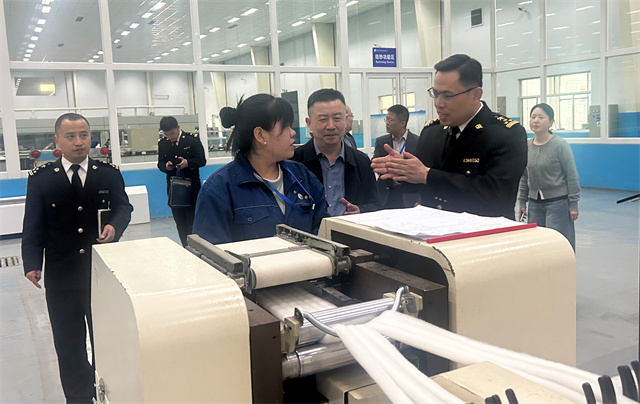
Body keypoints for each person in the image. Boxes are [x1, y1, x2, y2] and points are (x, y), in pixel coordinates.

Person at [21, 113, 133, 403]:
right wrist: (32, 263)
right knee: (68, 343)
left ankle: (109, 392)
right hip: (62, 276)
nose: (79, 142)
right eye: (70, 136)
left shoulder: (108, 174)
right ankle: (79, 397)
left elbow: (124, 208)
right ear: (57, 140)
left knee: (105, 338)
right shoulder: (42, 180)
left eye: (84, 135)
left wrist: (115, 226)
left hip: (101, 274)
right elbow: (33, 223)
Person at [371, 54, 527, 218]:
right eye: (436, 94)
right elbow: (420, 184)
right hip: (433, 228)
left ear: (475, 95)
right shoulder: (432, 131)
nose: (438, 103)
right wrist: (402, 172)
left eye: (447, 96)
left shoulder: (505, 134)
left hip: (482, 230)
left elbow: (496, 194)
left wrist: (427, 175)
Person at [193, 94, 328, 244]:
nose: (293, 132)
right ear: (260, 135)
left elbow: (323, 231)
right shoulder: (220, 189)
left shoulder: (302, 177)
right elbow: (211, 251)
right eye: (285, 126)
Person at [293, 89, 381, 216]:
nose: (331, 126)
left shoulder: (361, 162)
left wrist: (360, 211)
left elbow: (375, 204)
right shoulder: (295, 162)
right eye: (323, 119)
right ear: (309, 123)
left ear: (345, 120)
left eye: (337, 118)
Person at [518, 103, 580, 250]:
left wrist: (573, 204)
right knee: (537, 245)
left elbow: (571, 175)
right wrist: (522, 202)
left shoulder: (560, 145)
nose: (536, 120)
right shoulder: (526, 146)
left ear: (551, 122)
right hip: (534, 204)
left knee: (559, 245)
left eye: (541, 117)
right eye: (533, 117)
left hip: (557, 203)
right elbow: (524, 177)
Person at [157, 116, 206, 246]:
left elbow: (202, 160)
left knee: (192, 220)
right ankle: (185, 246)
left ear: (178, 128)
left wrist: (187, 163)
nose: (170, 137)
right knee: (180, 221)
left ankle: (196, 247)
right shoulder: (163, 143)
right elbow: (160, 163)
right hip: (174, 189)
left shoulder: (192, 140)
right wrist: (166, 167)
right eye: (166, 134)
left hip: (191, 188)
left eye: (172, 133)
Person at [373, 104, 421, 209]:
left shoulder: (418, 142)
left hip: (409, 196)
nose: (387, 123)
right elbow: (375, 163)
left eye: (390, 120)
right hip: (385, 195)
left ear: (402, 123)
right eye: (386, 119)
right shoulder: (381, 141)